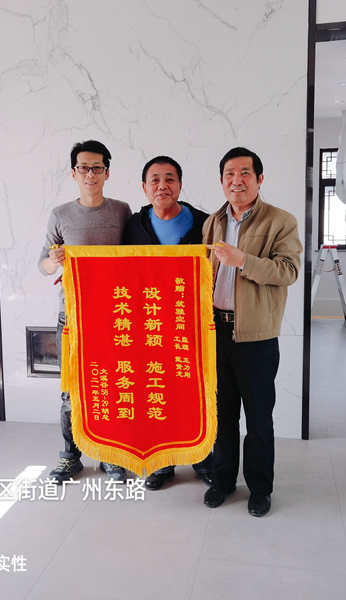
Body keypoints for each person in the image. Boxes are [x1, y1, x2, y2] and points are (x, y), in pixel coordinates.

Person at [202, 147, 302, 517]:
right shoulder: (213, 222)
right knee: (222, 414)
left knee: (258, 418)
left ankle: (260, 488)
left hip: (257, 337)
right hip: (216, 332)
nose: (237, 180)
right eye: (229, 174)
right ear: (221, 181)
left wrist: (243, 260)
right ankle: (223, 481)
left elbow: (288, 271)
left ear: (259, 179)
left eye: (245, 173)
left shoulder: (280, 221)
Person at [38, 140, 132, 483]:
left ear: (107, 172)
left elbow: (136, 257)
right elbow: (43, 264)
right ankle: (70, 456)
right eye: (83, 168)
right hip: (72, 316)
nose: (90, 174)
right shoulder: (60, 214)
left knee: (112, 384)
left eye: (97, 168)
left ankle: (110, 455)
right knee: (71, 391)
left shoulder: (122, 211)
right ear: (73, 173)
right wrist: (55, 260)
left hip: (113, 316)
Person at [122, 155, 213, 490]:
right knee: (156, 392)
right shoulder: (133, 226)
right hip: (148, 325)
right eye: (155, 179)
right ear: (144, 187)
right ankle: (162, 463)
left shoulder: (204, 222)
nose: (163, 186)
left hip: (191, 323)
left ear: (180, 184)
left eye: (170, 179)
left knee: (196, 393)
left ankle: (203, 458)